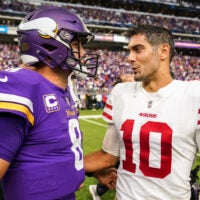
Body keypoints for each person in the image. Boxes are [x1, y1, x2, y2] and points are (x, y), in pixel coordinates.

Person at [84, 25, 200, 200]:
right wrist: (55, 165)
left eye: (138, 50)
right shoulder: (120, 92)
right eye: (129, 51)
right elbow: (108, 156)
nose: (130, 58)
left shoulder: (193, 95)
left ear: (163, 51)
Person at [0, 6, 100, 200]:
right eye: (77, 44)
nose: (84, 51)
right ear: (51, 44)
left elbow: (50, 151)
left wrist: (84, 171)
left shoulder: (63, 90)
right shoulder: (24, 87)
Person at [89, 72, 134, 200]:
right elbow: (107, 156)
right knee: (115, 165)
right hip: (121, 142)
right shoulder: (119, 96)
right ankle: (99, 189)